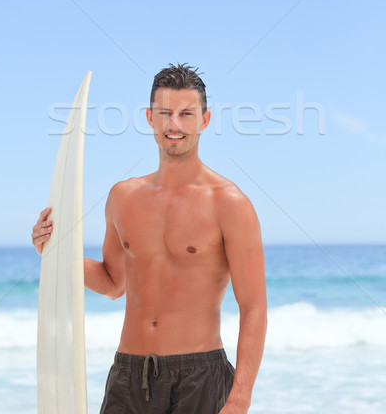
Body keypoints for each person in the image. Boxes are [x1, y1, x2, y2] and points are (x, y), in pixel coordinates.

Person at [32, 63, 267, 414]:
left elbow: (254, 307)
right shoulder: (122, 197)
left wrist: (240, 397)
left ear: (204, 120)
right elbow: (113, 284)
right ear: (149, 118)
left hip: (200, 377)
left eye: (186, 114)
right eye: (165, 113)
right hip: (128, 376)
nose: (175, 125)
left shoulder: (229, 203)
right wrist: (55, 252)